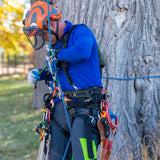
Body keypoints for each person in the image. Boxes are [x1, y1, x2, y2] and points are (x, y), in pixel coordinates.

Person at [23, 1, 103, 160]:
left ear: (51, 24)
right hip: (60, 112)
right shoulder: (55, 44)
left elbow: (82, 51)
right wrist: (39, 74)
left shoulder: (80, 31)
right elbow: (53, 68)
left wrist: (58, 55)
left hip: (84, 110)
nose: (44, 40)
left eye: (43, 34)